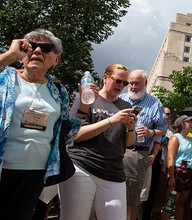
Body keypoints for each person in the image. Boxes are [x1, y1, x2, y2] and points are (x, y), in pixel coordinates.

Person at [0, 29, 93, 220]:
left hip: (34, 173)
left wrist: (83, 108)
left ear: (56, 59)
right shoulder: (5, 78)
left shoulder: (58, 90)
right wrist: (10, 56)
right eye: (31, 46)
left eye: (46, 48)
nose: (37, 51)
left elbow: (66, 135)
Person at [59, 64, 136, 220]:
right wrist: (111, 121)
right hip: (83, 168)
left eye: (124, 83)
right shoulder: (88, 98)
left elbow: (129, 143)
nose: (121, 86)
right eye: (118, 81)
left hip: (114, 173)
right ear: (105, 78)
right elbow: (76, 134)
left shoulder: (126, 106)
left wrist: (130, 128)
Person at [120, 69, 167, 220]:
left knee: (133, 199)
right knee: (112, 193)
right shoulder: (119, 99)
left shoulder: (154, 103)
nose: (133, 86)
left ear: (145, 84)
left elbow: (163, 129)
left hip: (137, 154)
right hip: (115, 152)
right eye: (131, 83)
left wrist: (150, 133)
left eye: (137, 84)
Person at [162, 115, 192, 220]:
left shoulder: (190, 139)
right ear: (183, 124)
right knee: (170, 203)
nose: (191, 124)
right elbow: (170, 158)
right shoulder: (175, 138)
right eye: (189, 122)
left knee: (181, 203)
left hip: (188, 172)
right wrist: (172, 176)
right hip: (177, 172)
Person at [142, 107, 174, 220]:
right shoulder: (154, 125)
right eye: (165, 114)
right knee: (143, 190)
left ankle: (148, 215)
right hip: (149, 158)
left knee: (154, 191)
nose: (167, 116)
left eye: (169, 114)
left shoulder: (170, 130)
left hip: (161, 163)